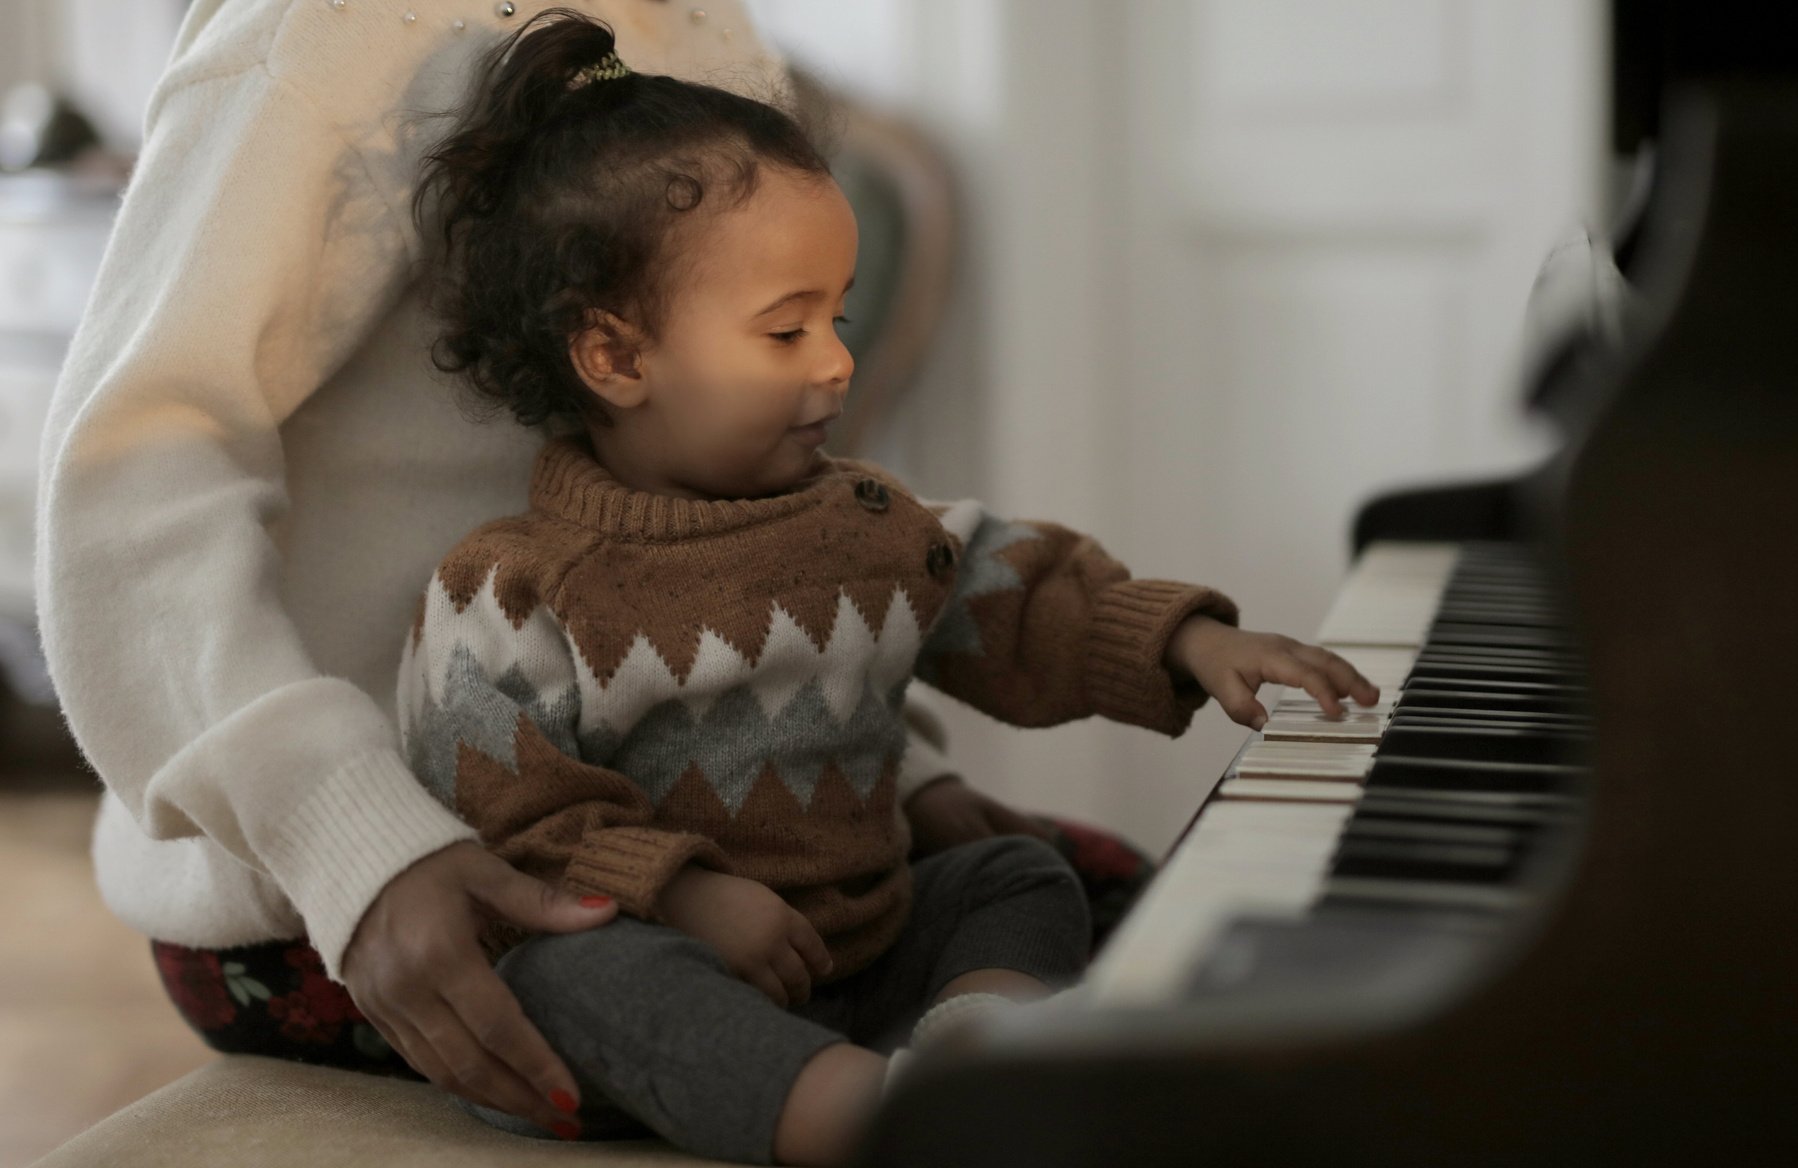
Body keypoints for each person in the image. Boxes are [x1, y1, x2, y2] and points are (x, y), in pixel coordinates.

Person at [34, 0, 1097, 1145]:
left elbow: (726, 489)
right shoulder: (326, 31)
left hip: (703, 829)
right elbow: (130, 476)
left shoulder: (704, 29)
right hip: (390, 881)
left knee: (1113, 899)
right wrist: (358, 850)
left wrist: (889, 770)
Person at [393, 12, 1379, 1165]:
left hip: (867, 955)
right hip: (679, 971)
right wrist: (689, 895)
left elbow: (1018, 591)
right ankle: (869, 1121)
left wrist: (1190, 645)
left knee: (1016, 873)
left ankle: (970, 1060)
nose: (834, 361)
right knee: (571, 972)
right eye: (784, 330)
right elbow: (511, 823)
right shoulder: (513, 588)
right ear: (615, 357)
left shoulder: (866, 525)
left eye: (838, 315)